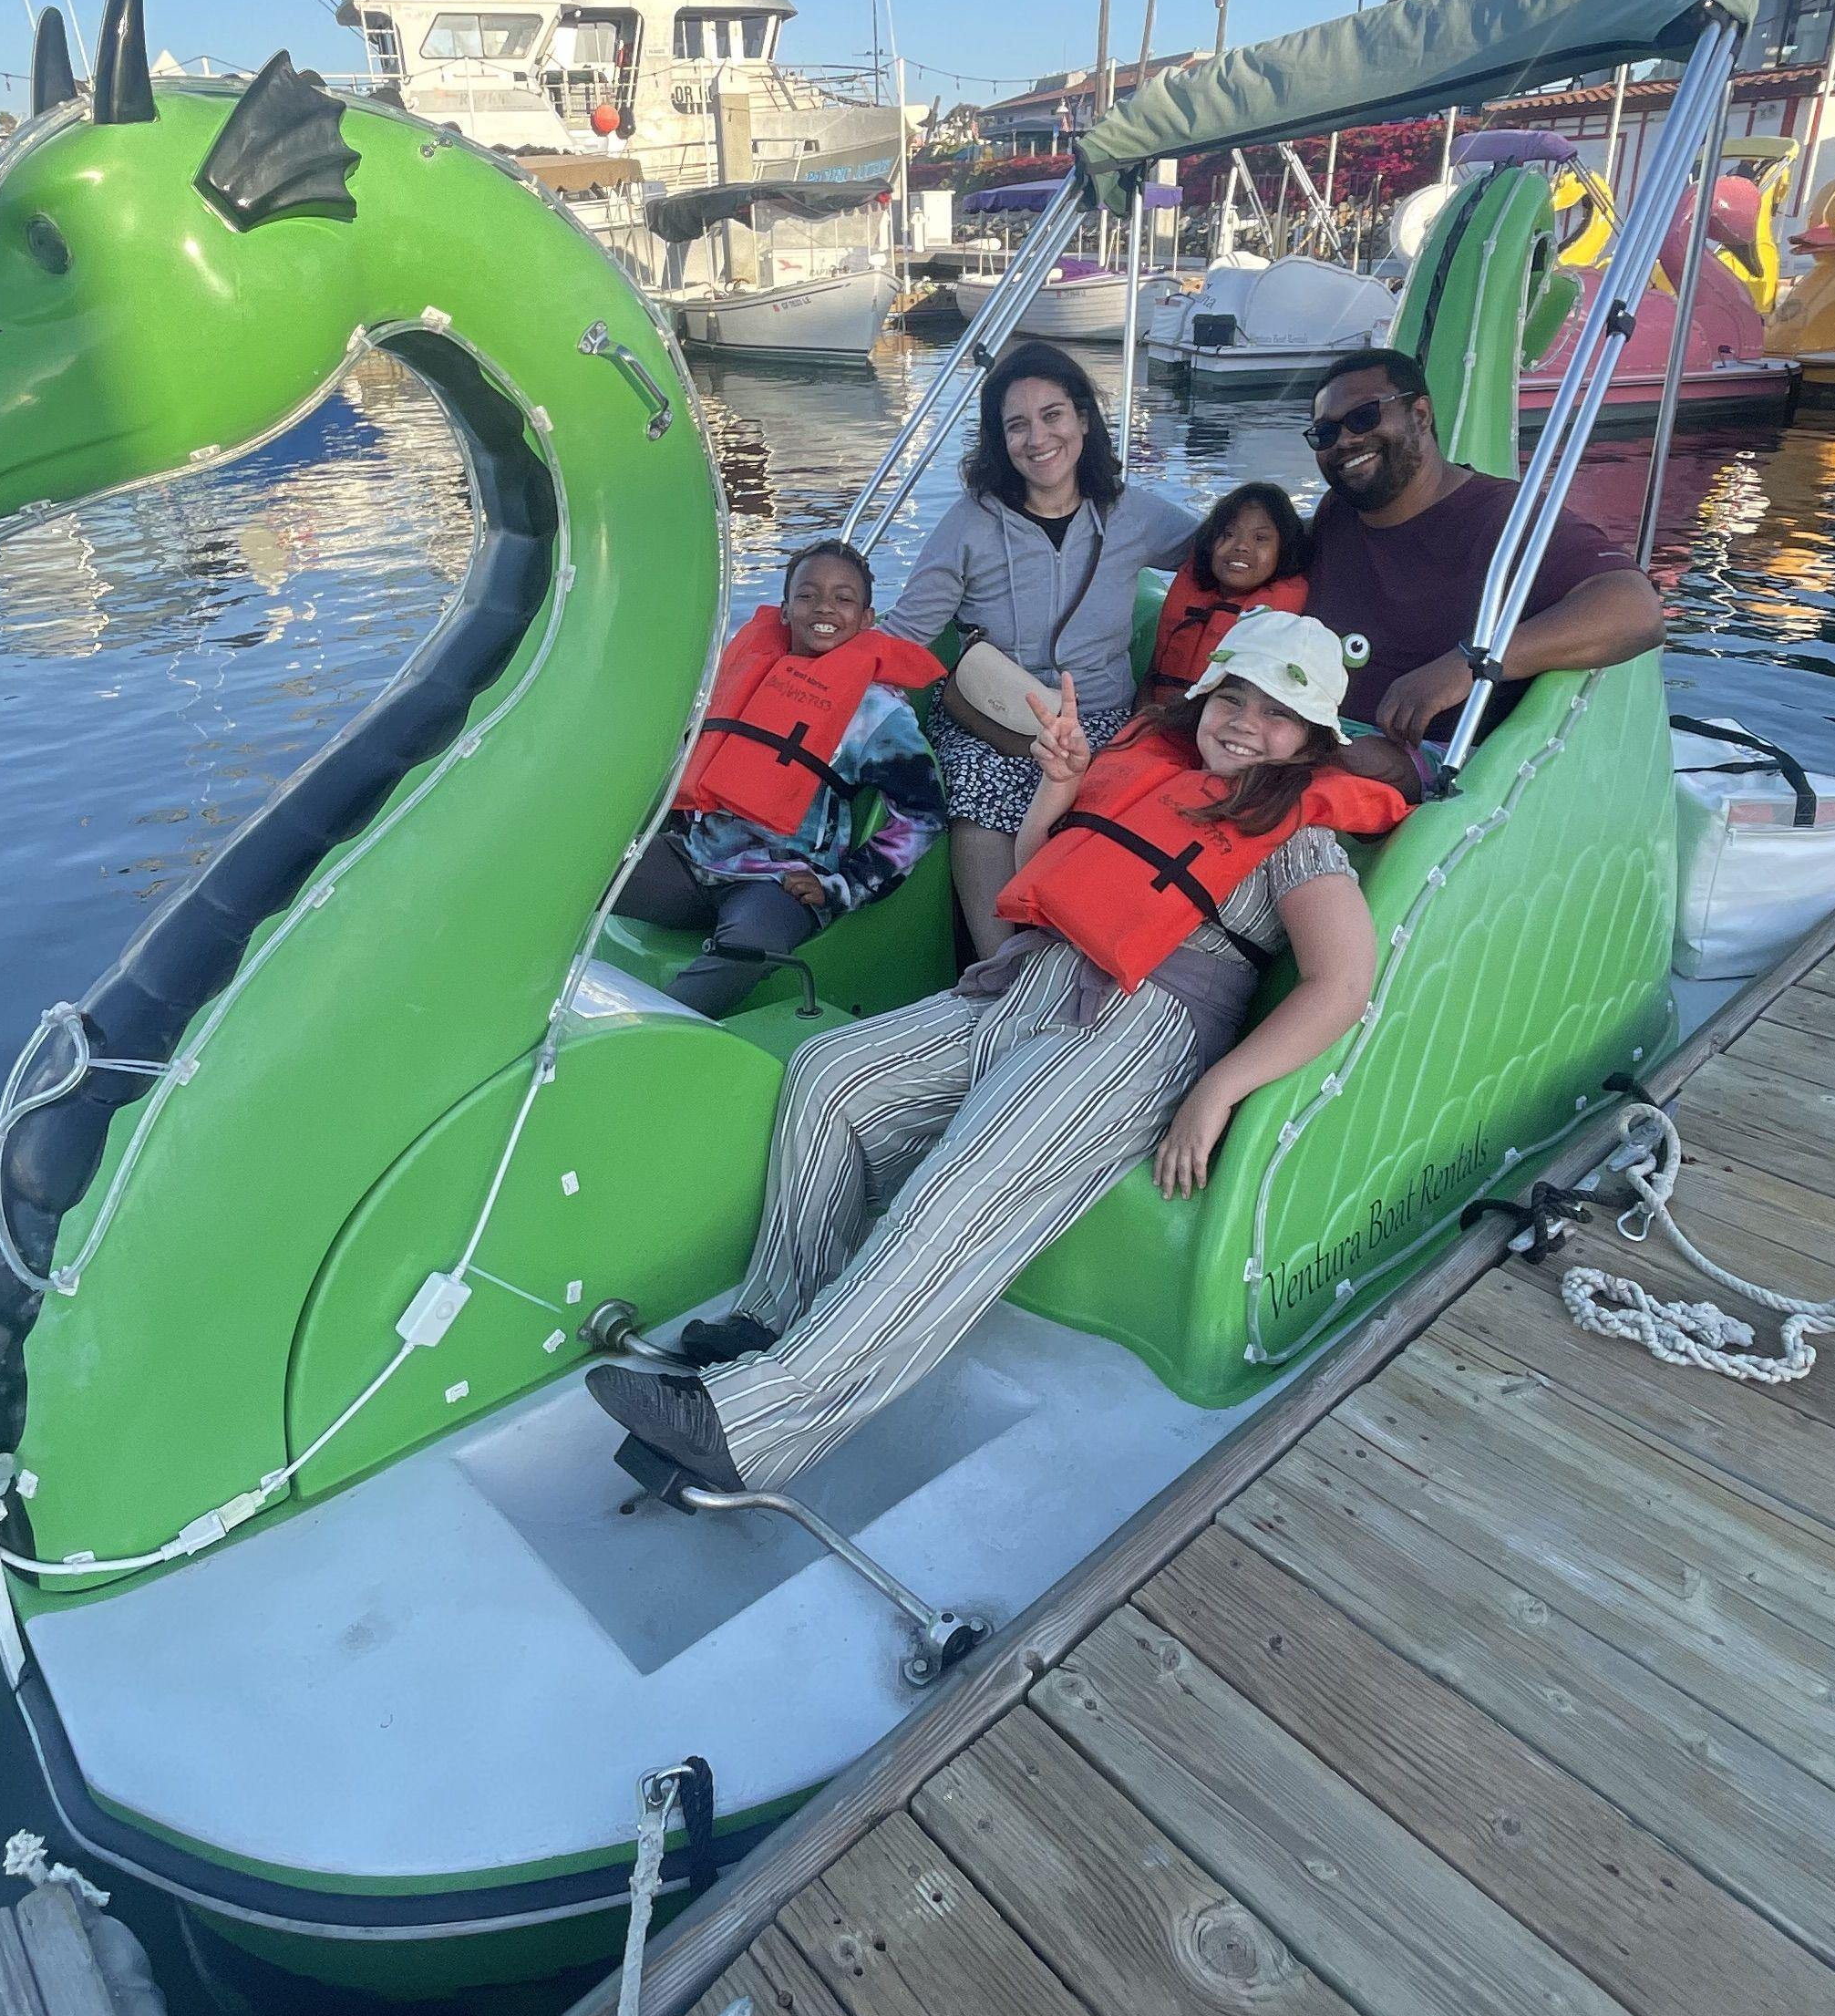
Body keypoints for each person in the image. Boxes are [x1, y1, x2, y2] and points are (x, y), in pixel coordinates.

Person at [587, 614, 1407, 1494]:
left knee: (960, 1185)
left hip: (1135, 1032)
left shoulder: (1301, 836)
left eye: (1275, 713)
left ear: (1312, 739)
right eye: (1232, 697)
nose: (1244, 722)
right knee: (832, 1077)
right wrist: (1058, 787)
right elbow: (1043, 867)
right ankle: (774, 1316)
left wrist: (1217, 1090)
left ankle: (758, 1425)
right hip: (1029, 984)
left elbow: (1340, 984)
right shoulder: (1150, 773)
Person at [889, 339, 1198, 961]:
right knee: (981, 793)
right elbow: (905, 633)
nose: (1038, 438)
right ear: (1000, 442)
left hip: (1101, 714)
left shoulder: (1131, 513)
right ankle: (997, 971)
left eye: (1053, 415)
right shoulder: (971, 523)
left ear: (1083, 419)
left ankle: (1089, 965)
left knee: (1131, 798)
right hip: (996, 719)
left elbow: (1223, 555)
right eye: (1017, 425)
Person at [1294, 346, 1665, 787]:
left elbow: (1637, 611)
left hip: (1432, 770)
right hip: (1314, 737)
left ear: (1420, 415)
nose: (1345, 441)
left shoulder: (1503, 517)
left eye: (1364, 417)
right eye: (1324, 434)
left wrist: (1472, 662)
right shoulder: (1337, 515)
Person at [617, 543, 943, 1016]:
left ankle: (652, 1037)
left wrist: (843, 884)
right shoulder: (743, 675)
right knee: (574, 871)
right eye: (807, 596)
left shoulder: (878, 712)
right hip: (694, 861)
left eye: (844, 599)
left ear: (868, 619)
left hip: (776, 884)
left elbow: (923, 817)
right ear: (786, 609)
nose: (825, 608)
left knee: (750, 946)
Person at [1140, 481, 1314, 701]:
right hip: (1159, 719)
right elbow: (1151, 677)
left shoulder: (1289, 624)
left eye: (1260, 538)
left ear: (1284, 550)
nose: (1241, 546)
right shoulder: (1190, 595)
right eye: (1228, 534)